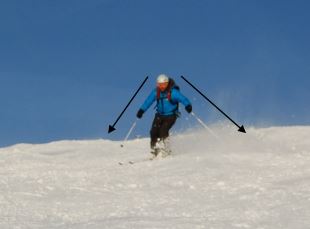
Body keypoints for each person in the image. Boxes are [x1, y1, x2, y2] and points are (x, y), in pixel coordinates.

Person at [136, 74, 192, 156]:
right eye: (159, 85)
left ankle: (167, 150)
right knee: (153, 132)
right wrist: (141, 110)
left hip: (171, 115)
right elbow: (148, 101)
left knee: (163, 131)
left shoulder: (173, 92)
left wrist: (188, 105)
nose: (161, 86)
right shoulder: (156, 92)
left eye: (163, 84)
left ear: (167, 83)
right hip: (159, 115)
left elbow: (183, 99)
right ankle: (155, 150)